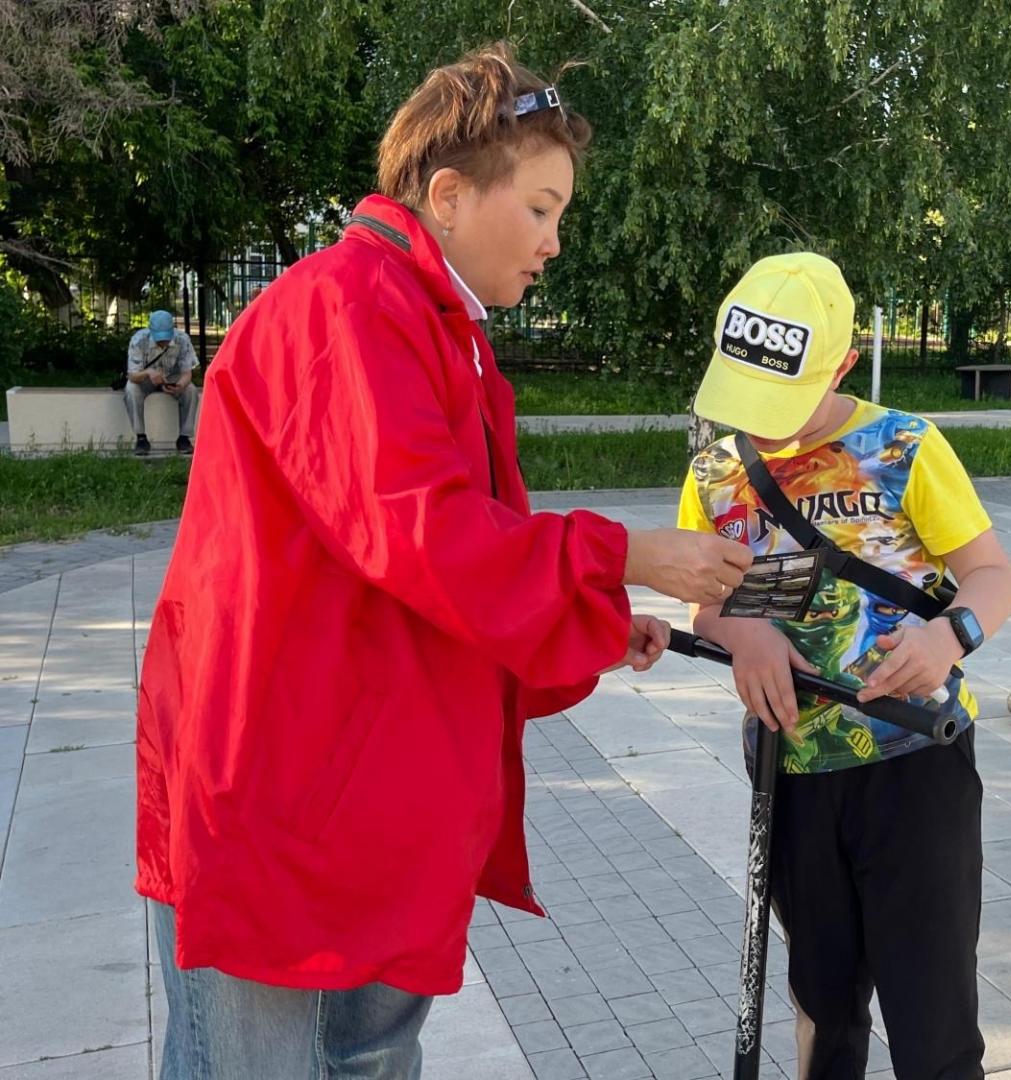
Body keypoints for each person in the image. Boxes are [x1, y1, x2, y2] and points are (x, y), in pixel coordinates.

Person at [135, 43, 752, 1078]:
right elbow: (423, 532)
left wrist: (594, 607)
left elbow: (445, 558)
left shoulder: (435, 324)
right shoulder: (342, 309)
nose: (555, 241)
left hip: (364, 781)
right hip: (274, 782)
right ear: (452, 194)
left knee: (367, 1057)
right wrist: (625, 556)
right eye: (543, 208)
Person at [677, 253, 1011, 1080]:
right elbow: (707, 602)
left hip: (914, 765)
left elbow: (994, 576)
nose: (762, 423)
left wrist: (947, 637)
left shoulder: (903, 445)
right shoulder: (716, 472)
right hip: (790, 772)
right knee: (825, 1006)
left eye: (782, 400)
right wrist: (742, 634)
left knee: (931, 1017)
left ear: (842, 365)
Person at [124, 309, 199, 455]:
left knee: (191, 390)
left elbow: (187, 373)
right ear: (150, 331)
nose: (163, 341)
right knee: (131, 389)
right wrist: (148, 373)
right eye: (159, 337)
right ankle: (141, 438)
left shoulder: (182, 339)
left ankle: (184, 438)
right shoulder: (138, 340)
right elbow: (132, 375)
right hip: (145, 378)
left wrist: (180, 385)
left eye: (165, 337)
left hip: (171, 377)